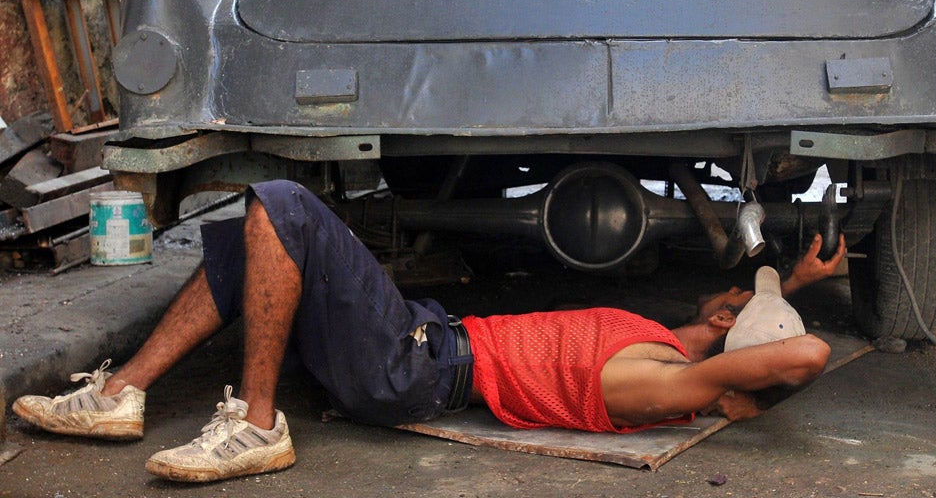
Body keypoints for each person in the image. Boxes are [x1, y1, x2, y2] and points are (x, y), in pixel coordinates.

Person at [13, 180, 846, 484]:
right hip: (421, 345)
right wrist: (797, 283)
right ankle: (121, 394)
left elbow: (804, 353)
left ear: (729, 331)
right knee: (246, 245)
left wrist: (753, 377)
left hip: (416, 369)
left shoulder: (665, 384)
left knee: (287, 207)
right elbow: (752, 320)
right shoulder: (668, 338)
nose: (733, 291)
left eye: (739, 302)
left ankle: (257, 426)